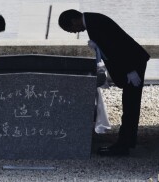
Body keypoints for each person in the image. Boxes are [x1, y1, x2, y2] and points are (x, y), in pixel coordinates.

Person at [57, 9, 150, 156]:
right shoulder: (92, 21)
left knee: (131, 104)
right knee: (129, 104)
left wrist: (130, 71)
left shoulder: (94, 23)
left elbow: (117, 47)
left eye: (71, 29)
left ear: (74, 21)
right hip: (131, 63)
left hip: (133, 63)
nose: (75, 32)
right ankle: (125, 142)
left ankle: (123, 146)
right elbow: (110, 46)